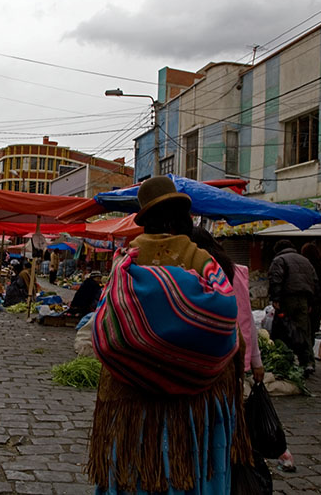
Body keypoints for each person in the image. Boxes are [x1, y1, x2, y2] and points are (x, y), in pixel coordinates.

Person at [87, 176, 251, 494]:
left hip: (133, 403)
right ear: (183, 218)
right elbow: (232, 331)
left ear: (144, 220)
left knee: (134, 474)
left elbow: (104, 327)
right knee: (194, 470)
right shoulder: (205, 260)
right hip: (198, 406)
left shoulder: (125, 261)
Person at [191, 227, 264, 383]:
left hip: (206, 356)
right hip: (234, 353)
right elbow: (246, 317)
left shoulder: (194, 273)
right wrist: (256, 361)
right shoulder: (236, 271)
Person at [268, 239, 319, 375]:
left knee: (284, 329)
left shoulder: (279, 260)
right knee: (303, 330)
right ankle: (307, 361)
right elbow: (314, 281)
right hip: (304, 299)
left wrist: (275, 298)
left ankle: (285, 360)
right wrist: (311, 302)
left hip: (287, 298)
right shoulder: (305, 261)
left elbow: (275, 279)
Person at [301, 242, 321, 348]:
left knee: (306, 326)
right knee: (315, 325)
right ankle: (313, 347)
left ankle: (307, 348)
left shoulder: (305, 268)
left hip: (309, 299)